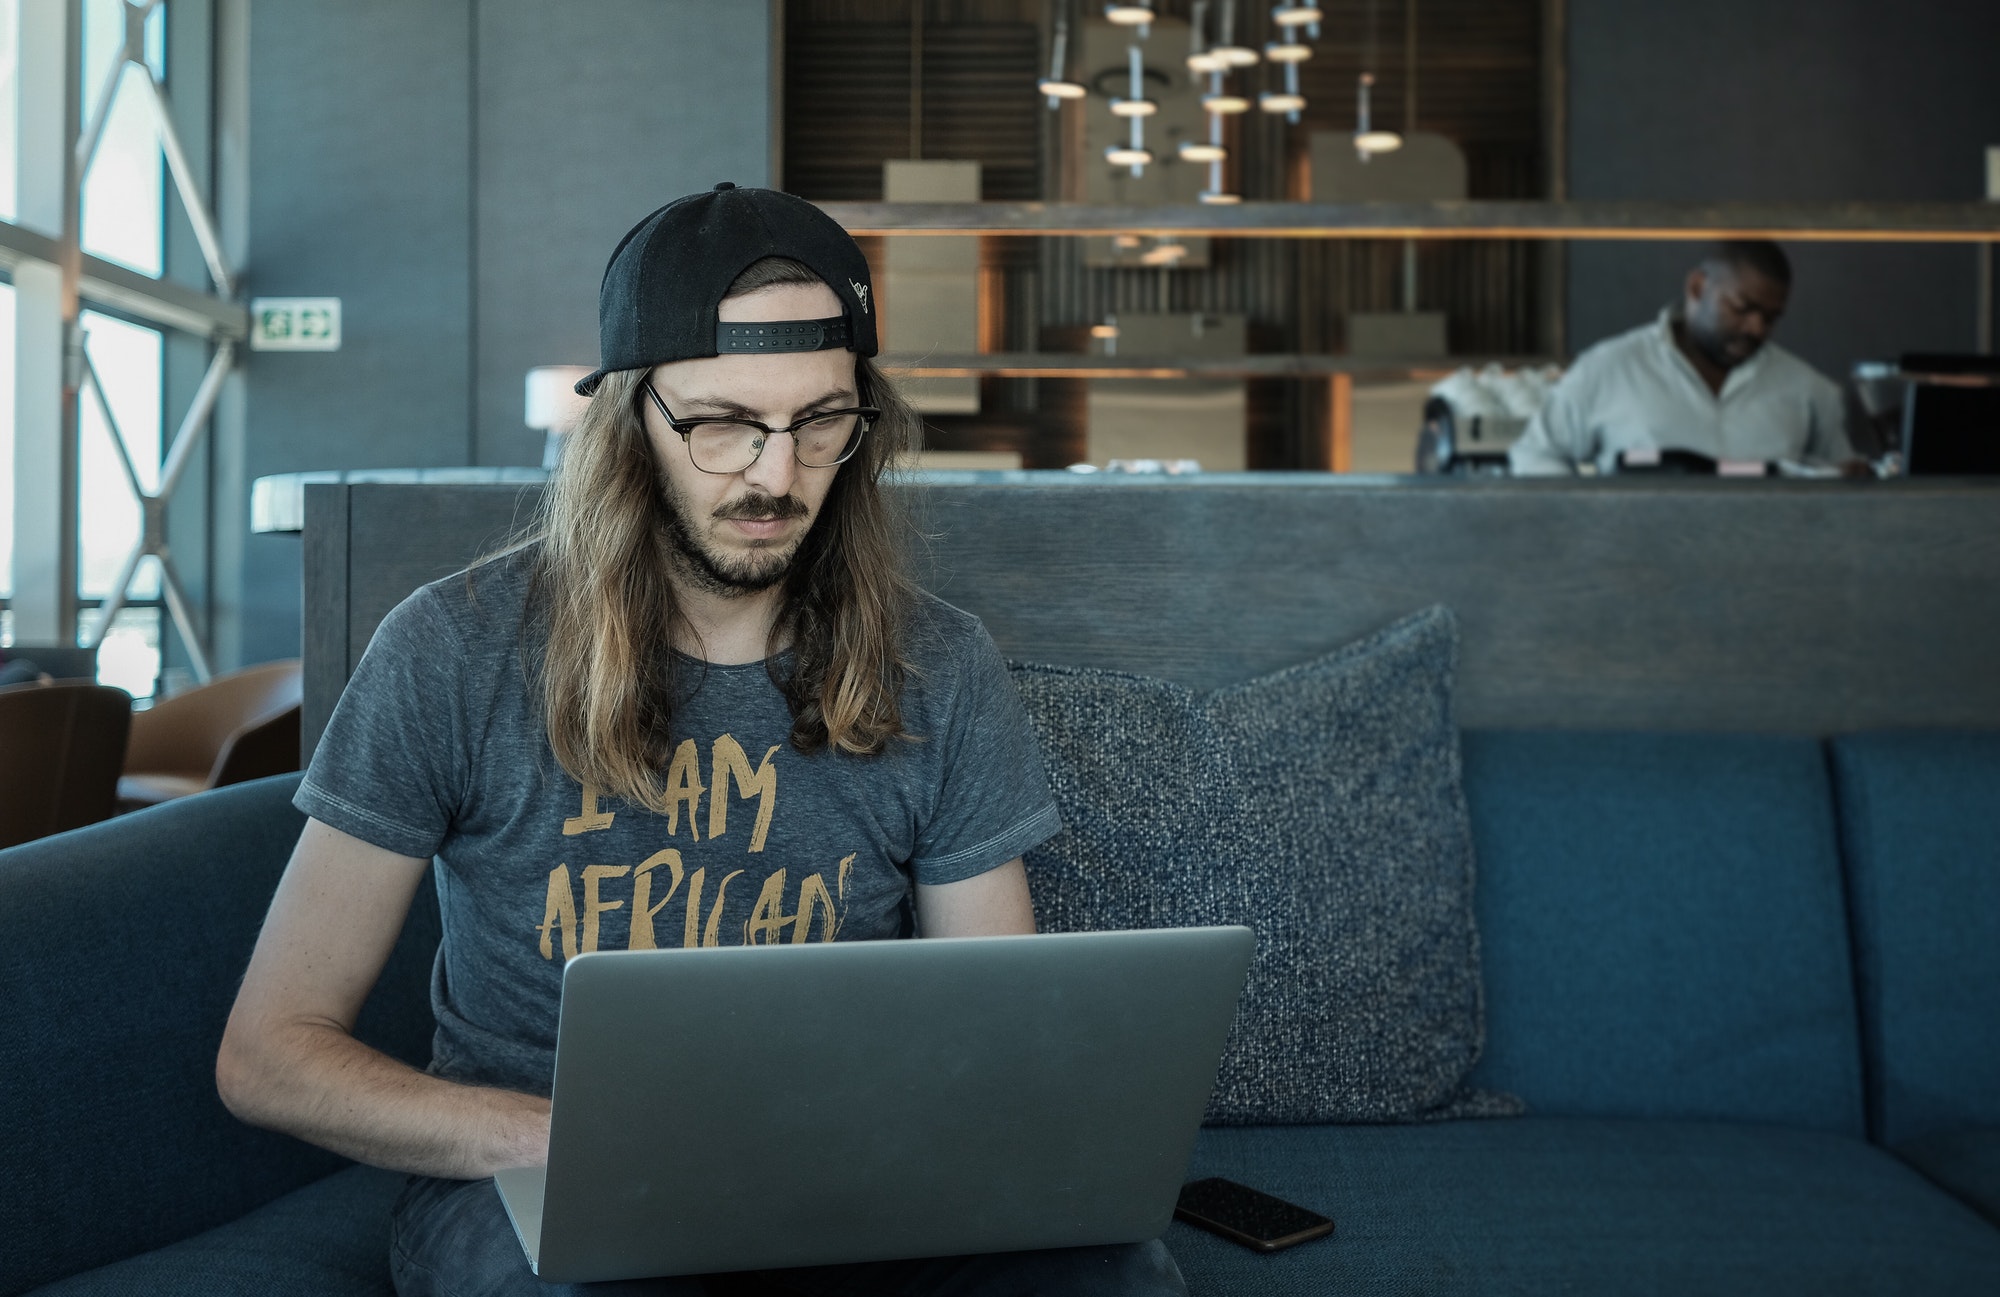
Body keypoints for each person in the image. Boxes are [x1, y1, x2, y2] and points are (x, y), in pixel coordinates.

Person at [217, 183, 1187, 1296]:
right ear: (627, 419)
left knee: (1117, 1274)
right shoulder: (450, 649)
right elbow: (270, 1054)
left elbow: (1000, 1032)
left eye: (820, 420)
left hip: (850, 1173)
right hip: (543, 1178)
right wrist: (550, 1143)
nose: (776, 474)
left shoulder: (941, 662)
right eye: (722, 423)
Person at [1509, 240, 1857, 475]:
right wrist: (1587, 523)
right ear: (1697, 287)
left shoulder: (1809, 390)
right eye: (1742, 308)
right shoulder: (1608, 369)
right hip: (1635, 575)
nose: (1756, 328)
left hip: (1768, 579)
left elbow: (1841, 483)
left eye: (1771, 317)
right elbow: (1534, 456)